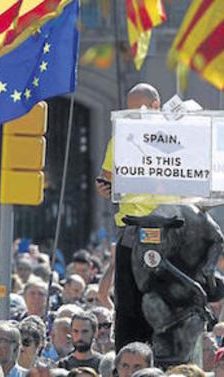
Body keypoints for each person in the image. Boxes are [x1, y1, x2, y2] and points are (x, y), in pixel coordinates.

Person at [95, 83, 162, 351]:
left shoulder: (179, 134)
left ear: (156, 105)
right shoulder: (120, 140)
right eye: (130, 109)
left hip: (169, 224)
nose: (134, 114)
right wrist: (104, 187)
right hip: (130, 229)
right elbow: (107, 180)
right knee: (128, 302)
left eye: (140, 108)